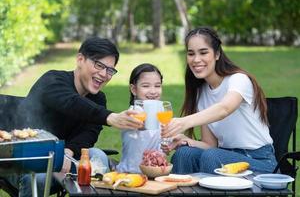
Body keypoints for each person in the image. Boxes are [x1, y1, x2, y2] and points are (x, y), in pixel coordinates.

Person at [5, 37, 143, 197]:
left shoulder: (98, 99)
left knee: (98, 155)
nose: (104, 74)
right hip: (25, 161)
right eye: (99, 65)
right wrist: (110, 117)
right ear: (80, 59)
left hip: (66, 161)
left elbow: (89, 134)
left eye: (110, 70)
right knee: (39, 178)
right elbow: (72, 103)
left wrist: (68, 154)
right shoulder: (52, 81)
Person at [161, 27, 277, 174]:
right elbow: (210, 145)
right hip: (223, 155)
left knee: (212, 156)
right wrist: (186, 140)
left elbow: (224, 109)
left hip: (259, 161)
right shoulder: (202, 92)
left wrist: (184, 122)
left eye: (203, 52)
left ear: (217, 54)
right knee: (184, 154)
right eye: (191, 54)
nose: (196, 59)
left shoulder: (238, 80)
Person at [116, 63, 163, 173]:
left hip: (154, 173)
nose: (153, 91)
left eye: (157, 86)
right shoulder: (132, 113)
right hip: (129, 173)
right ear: (134, 89)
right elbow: (140, 124)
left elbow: (165, 140)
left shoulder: (161, 111)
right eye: (146, 86)